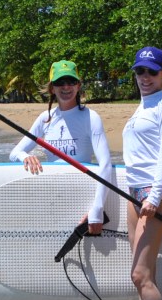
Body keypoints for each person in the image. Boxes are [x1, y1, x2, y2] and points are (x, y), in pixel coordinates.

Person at [9, 60, 112, 234]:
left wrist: (97, 207)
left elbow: (105, 164)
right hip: (53, 193)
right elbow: (14, 153)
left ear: (78, 85)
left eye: (71, 81)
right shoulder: (45, 118)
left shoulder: (90, 117)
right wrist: (25, 157)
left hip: (82, 191)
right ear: (52, 88)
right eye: (59, 83)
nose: (66, 87)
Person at [122, 46, 162, 300]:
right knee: (144, 273)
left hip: (153, 195)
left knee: (139, 274)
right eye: (140, 71)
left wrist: (154, 198)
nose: (145, 77)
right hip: (134, 194)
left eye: (152, 72)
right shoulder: (142, 105)